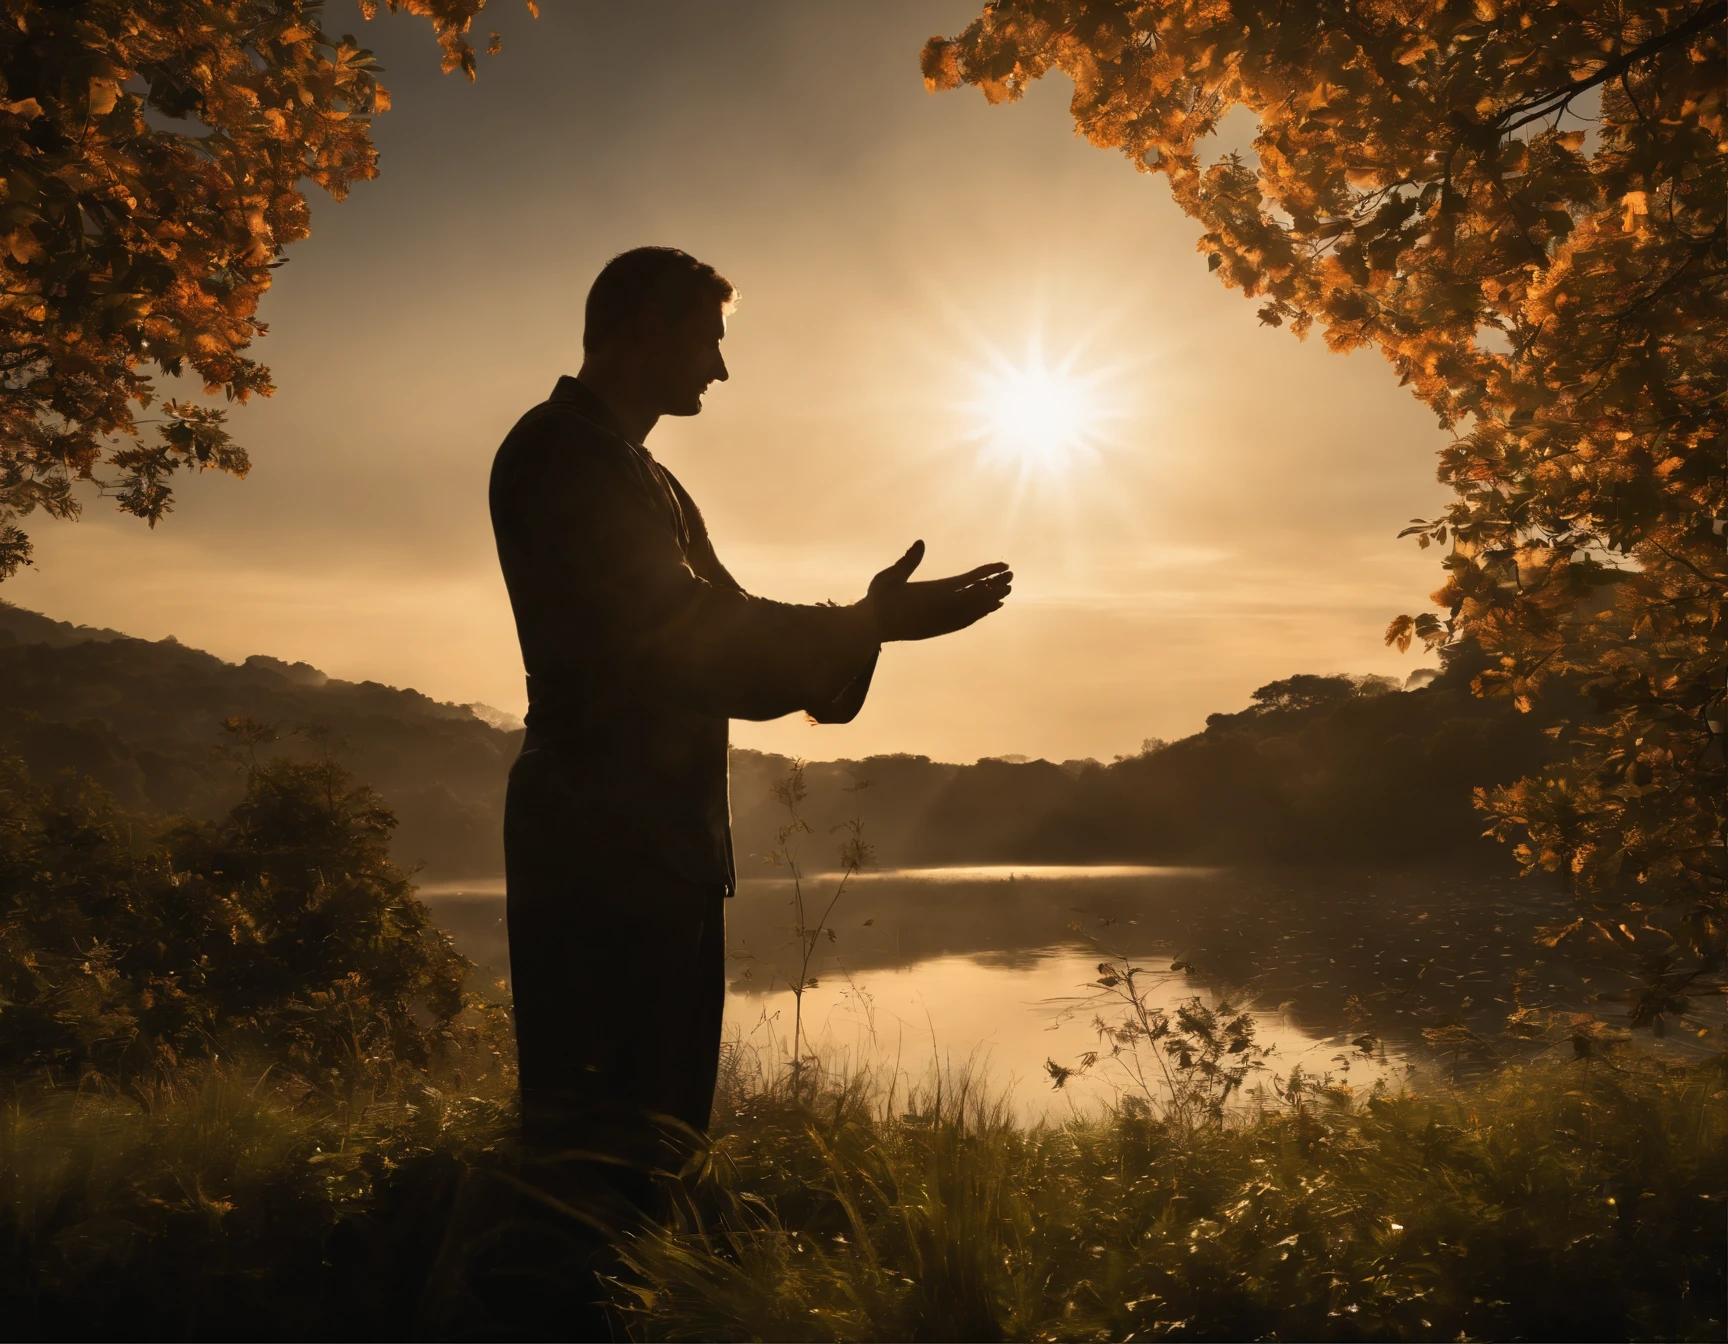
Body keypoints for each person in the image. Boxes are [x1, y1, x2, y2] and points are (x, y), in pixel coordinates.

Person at [488, 246, 1012, 1179]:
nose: (721, 369)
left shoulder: (640, 474)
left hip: (659, 838)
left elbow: (722, 633)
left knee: (660, 1128)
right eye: (710, 339)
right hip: (597, 839)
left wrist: (868, 630)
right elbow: (686, 633)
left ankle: (633, 1301)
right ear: (647, 327)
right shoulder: (561, 454)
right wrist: (868, 623)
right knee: (594, 1133)